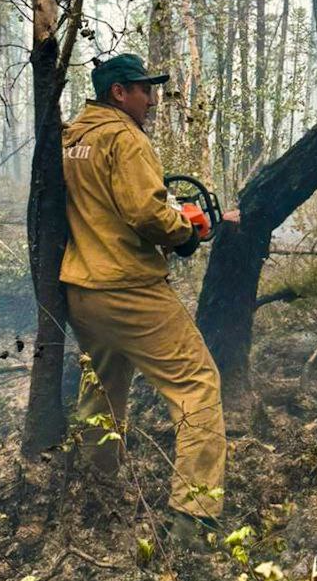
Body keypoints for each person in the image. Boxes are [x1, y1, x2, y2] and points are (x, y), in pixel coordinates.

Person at [59, 53, 237, 550]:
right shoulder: (124, 137)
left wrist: (171, 215)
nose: (152, 99)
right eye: (144, 90)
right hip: (129, 288)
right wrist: (184, 232)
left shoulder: (71, 137)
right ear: (119, 92)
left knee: (104, 386)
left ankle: (96, 485)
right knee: (198, 386)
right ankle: (193, 520)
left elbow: (104, 206)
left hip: (82, 290)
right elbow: (145, 212)